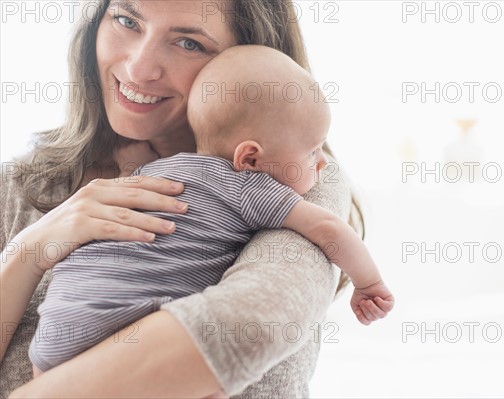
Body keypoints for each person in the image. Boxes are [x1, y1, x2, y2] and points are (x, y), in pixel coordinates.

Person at [0, 1, 377, 397]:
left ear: (251, 57)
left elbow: (250, 327)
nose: (138, 68)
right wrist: (31, 248)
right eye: (127, 21)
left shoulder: (301, 180)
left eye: (188, 43)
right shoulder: (23, 185)